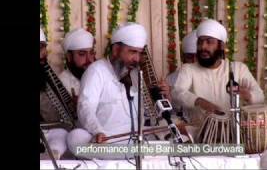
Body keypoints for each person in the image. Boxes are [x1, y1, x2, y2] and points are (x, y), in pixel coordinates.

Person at [66, 23, 171, 159]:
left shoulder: (136, 74)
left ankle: (134, 155)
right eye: (133, 52)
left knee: (179, 138)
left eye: (139, 53)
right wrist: (98, 131)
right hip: (106, 140)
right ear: (116, 50)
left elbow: (150, 116)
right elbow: (85, 107)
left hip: (136, 139)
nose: (137, 59)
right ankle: (133, 156)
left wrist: (166, 97)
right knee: (76, 137)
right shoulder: (97, 71)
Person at [172, 19, 264, 126]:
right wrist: (200, 102)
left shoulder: (238, 69)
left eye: (209, 42)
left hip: (233, 132)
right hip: (201, 134)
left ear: (221, 46)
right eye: (200, 42)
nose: (203, 47)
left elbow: (260, 96)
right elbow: (177, 92)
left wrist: (247, 95)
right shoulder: (188, 69)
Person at [40, 27, 68, 160]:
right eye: (40, 48)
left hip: (50, 133)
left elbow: (55, 119)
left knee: (62, 135)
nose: (44, 53)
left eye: (44, 47)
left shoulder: (45, 75)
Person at [166, 30, 197, 123]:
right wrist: (168, 96)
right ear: (183, 58)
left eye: (197, 57)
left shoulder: (213, 76)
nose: (193, 61)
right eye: (189, 57)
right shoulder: (171, 79)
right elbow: (168, 113)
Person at [59, 28, 96, 99]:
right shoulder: (61, 84)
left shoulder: (97, 77)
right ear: (69, 57)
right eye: (82, 54)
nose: (89, 60)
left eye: (91, 53)